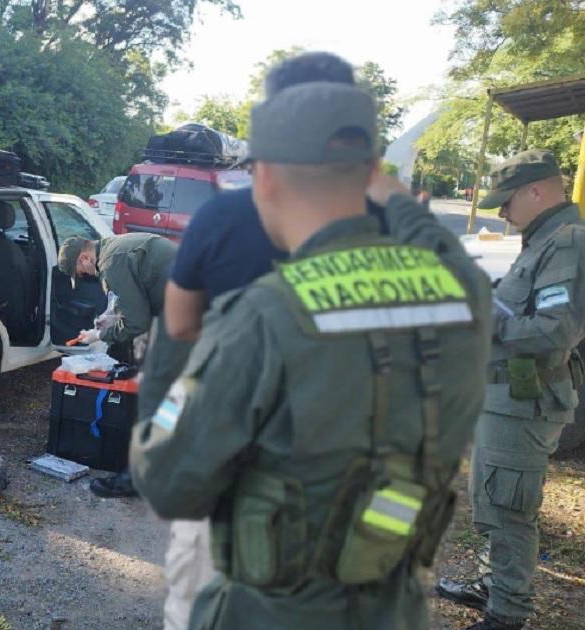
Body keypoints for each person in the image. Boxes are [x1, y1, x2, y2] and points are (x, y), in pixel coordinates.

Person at [129, 78, 493, 629]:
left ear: (266, 176)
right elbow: (430, 236)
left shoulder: (263, 316)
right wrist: (388, 190)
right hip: (391, 608)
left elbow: (169, 483)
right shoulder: (463, 291)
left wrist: (168, 355)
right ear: (369, 173)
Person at [436, 150, 585, 630]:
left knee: (509, 510)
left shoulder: (567, 242)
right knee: (495, 502)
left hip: (525, 402)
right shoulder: (544, 241)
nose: (501, 212)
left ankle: (507, 614)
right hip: (507, 399)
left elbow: (551, 332)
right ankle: (492, 585)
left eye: (507, 201)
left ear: (536, 191)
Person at [56, 232, 180, 497]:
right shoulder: (116, 247)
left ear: (85, 258)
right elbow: (136, 301)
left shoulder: (112, 263)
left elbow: (136, 323)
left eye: (82, 272)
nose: (87, 276)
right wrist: (108, 322)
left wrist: (101, 335)